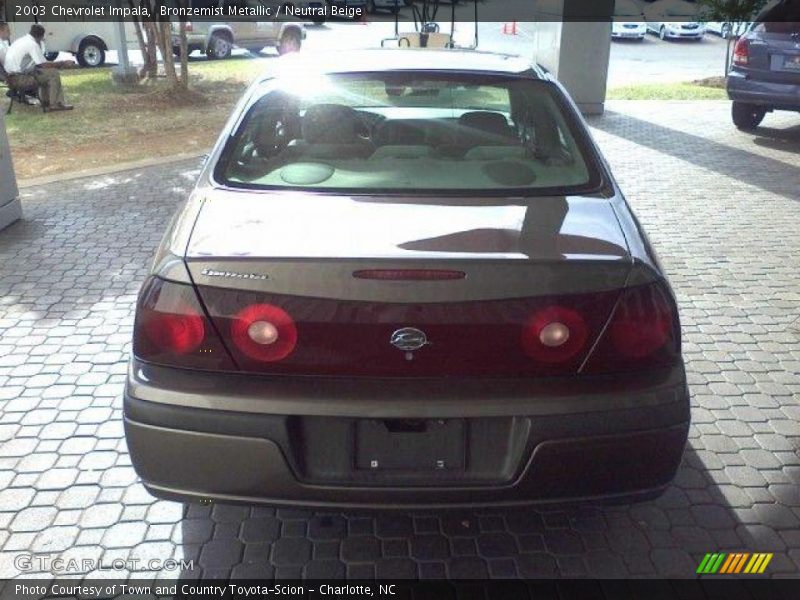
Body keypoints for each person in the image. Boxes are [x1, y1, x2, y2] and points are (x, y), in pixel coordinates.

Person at [4, 24, 74, 112]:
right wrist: (63, 63)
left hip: (11, 77)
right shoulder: (32, 44)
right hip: (20, 78)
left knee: (44, 73)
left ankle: (46, 101)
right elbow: (43, 64)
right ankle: (56, 103)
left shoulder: (21, 41)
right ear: (40, 37)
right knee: (53, 73)